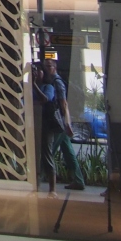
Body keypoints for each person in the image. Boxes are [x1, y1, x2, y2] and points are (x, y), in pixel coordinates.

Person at [32, 58, 85, 193]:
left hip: (57, 122)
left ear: (54, 67)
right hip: (59, 122)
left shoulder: (56, 82)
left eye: (49, 66)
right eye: (45, 66)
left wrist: (67, 123)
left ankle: (39, 177)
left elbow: (64, 103)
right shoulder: (49, 82)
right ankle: (78, 180)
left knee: (48, 151)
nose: (46, 68)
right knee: (67, 151)